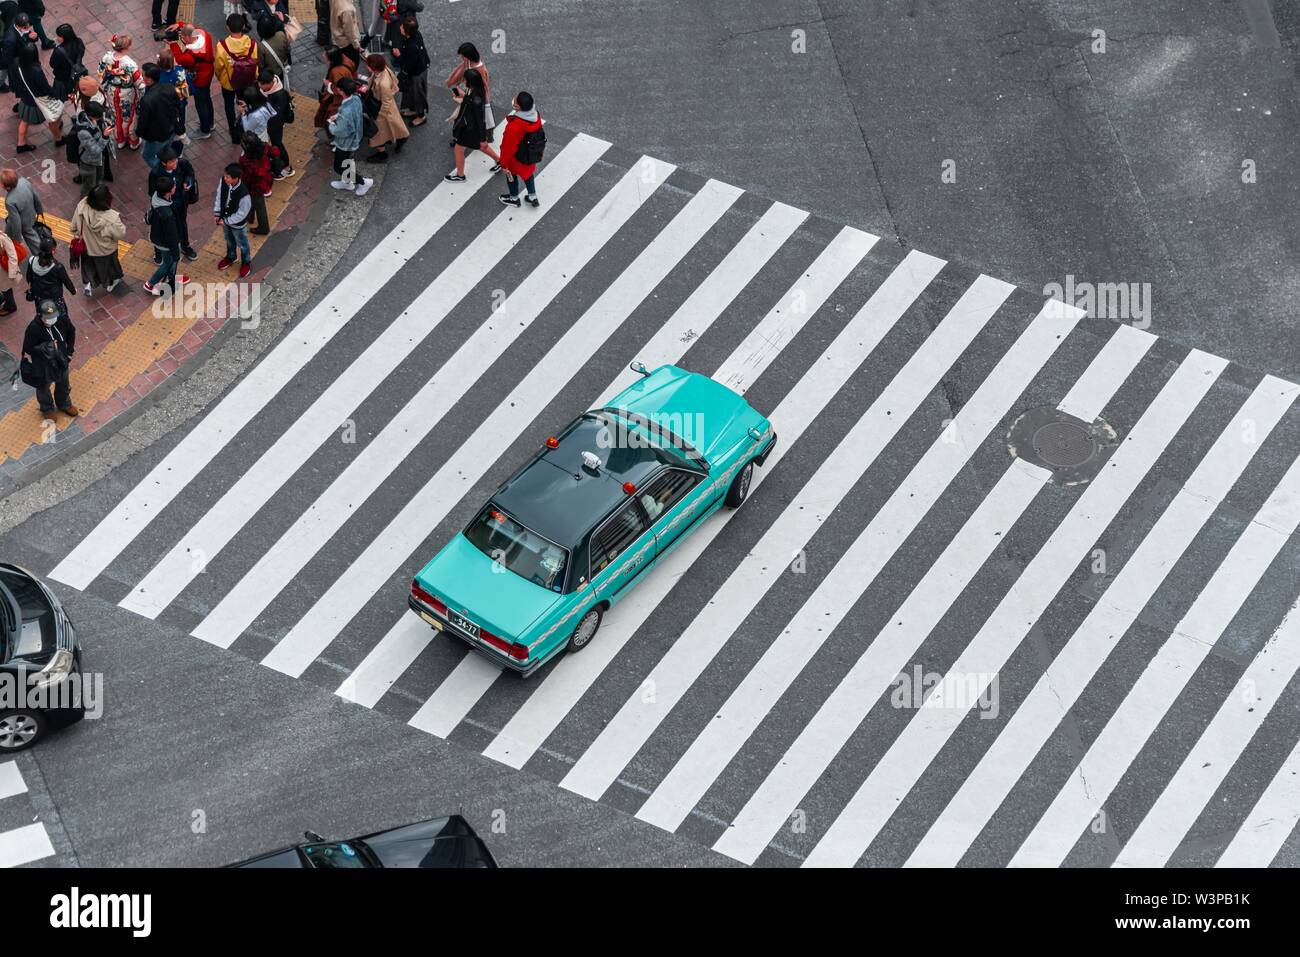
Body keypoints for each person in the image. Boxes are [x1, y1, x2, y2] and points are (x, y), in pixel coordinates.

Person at [21, 299, 76, 418]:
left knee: (64, 384)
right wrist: (48, 347)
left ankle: (64, 404)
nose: (52, 320)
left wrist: (70, 351)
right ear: (40, 316)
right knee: (43, 388)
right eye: (48, 317)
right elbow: (28, 348)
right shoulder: (33, 328)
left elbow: (71, 331)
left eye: (53, 316)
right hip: (43, 365)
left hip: (61, 360)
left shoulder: (62, 319)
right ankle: (47, 409)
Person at [69, 184, 125, 296]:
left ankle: (89, 283)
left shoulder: (82, 206)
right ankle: (112, 282)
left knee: (89, 266)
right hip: (105, 250)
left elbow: (73, 227)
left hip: (87, 248)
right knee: (110, 268)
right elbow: (120, 234)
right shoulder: (112, 217)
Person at [214, 13, 258, 145]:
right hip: (246, 81)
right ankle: (245, 127)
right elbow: (255, 62)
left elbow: (218, 67)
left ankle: (234, 133)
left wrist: (221, 78)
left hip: (229, 83)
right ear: (243, 26)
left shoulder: (222, 46)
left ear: (228, 27)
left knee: (229, 106)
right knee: (244, 104)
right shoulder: (251, 44)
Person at [10, 40, 61, 153]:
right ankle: (59, 139)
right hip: (37, 100)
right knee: (53, 119)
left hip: (25, 97)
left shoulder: (15, 62)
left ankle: (21, 144)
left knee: (25, 120)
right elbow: (45, 88)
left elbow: (14, 79)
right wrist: (54, 95)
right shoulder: (36, 71)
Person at [496, 91, 543, 209]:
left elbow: (508, 147)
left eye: (515, 100)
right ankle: (532, 196)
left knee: (511, 176)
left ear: (518, 107)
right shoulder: (535, 116)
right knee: (528, 175)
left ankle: (514, 198)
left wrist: (504, 163)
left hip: (517, 159)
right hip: (531, 154)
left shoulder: (514, 126)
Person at [327, 76, 372, 196]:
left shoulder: (346, 111)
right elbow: (352, 116)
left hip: (346, 143)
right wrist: (338, 117)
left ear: (341, 91)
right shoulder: (356, 98)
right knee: (348, 161)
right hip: (356, 137)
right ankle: (347, 183)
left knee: (339, 167)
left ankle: (363, 182)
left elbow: (341, 131)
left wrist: (331, 125)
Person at [144, 173, 187, 294]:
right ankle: (151, 283)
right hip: (165, 242)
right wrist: (176, 253)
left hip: (157, 236)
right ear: (168, 192)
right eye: (173, 187)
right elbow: (171, 236)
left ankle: (171, 277)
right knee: (168, 263)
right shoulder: (167, 214)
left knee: (169, 261)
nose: (175, 187)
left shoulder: (156, 198)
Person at [99, 34, 144, 150]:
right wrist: (143, 95)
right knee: (129, 117)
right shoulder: (130, 63)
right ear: (125, 48)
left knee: (115, 115)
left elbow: (101, 74)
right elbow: (139, 82)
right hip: (127, 93)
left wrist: (105, 88)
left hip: (111, 92)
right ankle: (133, 141)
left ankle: (120, 141)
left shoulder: (106, 57)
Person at [444, 66, 487, 182]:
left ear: (470, 82)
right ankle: (499, 161)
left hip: (469, 129)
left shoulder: (476, 99)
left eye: (465, 79)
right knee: (481, 146)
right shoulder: (475, 92)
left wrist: (483, 139)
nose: (463, 81)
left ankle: (460, 175)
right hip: (470, 127)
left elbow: (480, 121)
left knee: (459, 149)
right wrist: (464, 95)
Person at [172, 22, 214, 139]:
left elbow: (180, 58)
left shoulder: (191, 56)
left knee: (201, 104)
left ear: (189, 37)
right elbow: (194, 27)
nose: (182, 39)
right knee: (207, 98)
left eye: (183, 37)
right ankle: (210, 123)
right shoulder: (205, 35)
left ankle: (205, 130)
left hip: (199, 80)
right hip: (209, 73)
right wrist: (180, 25)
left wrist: (172, 43)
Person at [135, 60, 180, 170]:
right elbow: (177, 106)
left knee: (147, 155)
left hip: (156, 136)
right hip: (171, 129)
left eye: (143, 75)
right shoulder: (169, 87)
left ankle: (163, 171)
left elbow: (143, 121)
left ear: (149, 80)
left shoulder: (146, 100)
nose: (141, 76)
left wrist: (138, 133)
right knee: (165, 150)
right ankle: (166, 165)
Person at [362, 52, 405, 163]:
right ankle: (401, 137)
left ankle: (382, 154)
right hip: (385, 107)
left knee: (376, 133)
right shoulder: (383, 69)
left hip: (381, 109)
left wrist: (379, 117)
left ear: (373, 68)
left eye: (368, 65)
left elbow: (386, 101)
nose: (366, 66)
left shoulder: (383, 84)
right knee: (393, 125)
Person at [158, 147, 198, 260]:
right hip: (167, 207)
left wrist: (187, 182)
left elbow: (190, 174)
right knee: (166, 228)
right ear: (163, 163)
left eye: (175, 159)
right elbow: (153, 192)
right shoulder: (157, 173)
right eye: (171, 162)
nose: (175, 162)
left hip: (181, 202)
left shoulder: (182, 163)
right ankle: (161, 250)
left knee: (182, 224)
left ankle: (185, 246)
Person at [214, 163, 253, 278]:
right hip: (224, 220)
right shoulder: (224, 182)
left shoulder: (244, 195)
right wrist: (217, 213)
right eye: (225, 175)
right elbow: (219, 196)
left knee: (243, 244)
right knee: (229, 240)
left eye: (228, 177)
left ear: (236, 178)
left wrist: (226, 221)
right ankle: (231, 256)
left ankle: (246, 262)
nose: (224, 178)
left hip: (237, 225)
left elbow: (242, 214)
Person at [445, 41, 492, 134]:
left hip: (472, 99)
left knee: (464, 117)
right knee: (463, 116)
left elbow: (483, 89)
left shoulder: (480, 70)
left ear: (468, 56)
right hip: (469, 95)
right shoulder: (469, 62)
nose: (461, 58)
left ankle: (461, 136)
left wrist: (465, 94)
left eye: (463, 56)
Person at [23, 238, 74, 318]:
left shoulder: (32, 260)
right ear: (53, 251)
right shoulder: (58, 267)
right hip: (54, 298)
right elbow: (67, 282)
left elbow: (28, 278)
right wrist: (73, 291)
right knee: (60, 318)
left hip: (39, 297)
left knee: (44, 316)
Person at [258, 68, 293, 178]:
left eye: (261, 85)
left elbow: (276, 114)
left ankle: (286, 167)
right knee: (276, 143)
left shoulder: (279, 95)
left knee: (277, 143)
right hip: (273, 123)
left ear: (270, 84)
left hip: (276, 124)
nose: (259, 87)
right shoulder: (274, 86)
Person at [72, 100, 112, 196]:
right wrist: (105, 136)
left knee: (98, 178)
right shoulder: (83, 132)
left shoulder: (93, 119)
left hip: (98, 160)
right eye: (99, 117)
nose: (101, 118)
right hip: (88, 161)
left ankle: (95, 197)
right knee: (88, 186)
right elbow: (95, 151)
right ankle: (85, 205)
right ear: (91, 116)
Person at [392, 14, 427, 126]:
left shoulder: (411, 46)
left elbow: (409, 64)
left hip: (416, 73)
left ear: (407, 32)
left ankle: (421, 116)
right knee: (412, 93)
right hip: (420, 68)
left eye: (402, 27)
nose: (400, 27)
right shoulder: (416, 35)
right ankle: (414, 110)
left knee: (418, 94)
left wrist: (398, 55)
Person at [238, 132, 274, 235]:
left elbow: (244, 176)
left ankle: (263, 227)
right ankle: (250, 216)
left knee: (259, 205)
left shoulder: (245, 161)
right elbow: (275, 152)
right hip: (265, 180)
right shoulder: (265, 147)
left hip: (253, 185)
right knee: (255, 200)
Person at [314, 45, 354, 130]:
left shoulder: (336, 72)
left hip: (337, 101)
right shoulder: (344, 60)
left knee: (329, 117)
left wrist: (328, 84)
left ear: (331, 58)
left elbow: (338, 90)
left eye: (325, 55)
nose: (323, 55)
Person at [1, 167, 43, 250]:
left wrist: (18, 240)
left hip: (24, 224)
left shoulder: (10, 201)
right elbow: (36, 197)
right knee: (8, 232)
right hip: (31, 214)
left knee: (32, 239)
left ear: (6, 186)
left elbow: (16, 222)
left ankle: (43, 253)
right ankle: (4, 244)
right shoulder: (24, 182)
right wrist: (39, 210)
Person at [157, 46, 189, 146]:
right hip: (180, 104)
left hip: (165, 107)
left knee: (168, 126)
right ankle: (179, 149)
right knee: (180, 123)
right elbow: (188, 89)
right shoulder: (180, 71)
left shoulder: (157, 75)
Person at [48, 23, 84, 100]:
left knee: (59, 96)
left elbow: (52, 64)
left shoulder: (59, 51)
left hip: (62, 78)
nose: (57, 38)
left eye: (58, 36)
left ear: (64, 37)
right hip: (76, 73)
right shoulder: (79, 42)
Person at [256, 14, 290, 84]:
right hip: (283, 67)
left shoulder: (261, 46)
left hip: (272, 74)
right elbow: (288, 49)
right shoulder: (281, 34)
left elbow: (261, 65)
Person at [329, 0, 362, 67]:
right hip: (347, 42)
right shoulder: (347, 10)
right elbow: (349, 31)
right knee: (352, 64)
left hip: (337, 36)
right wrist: (356, 45)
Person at [0, 230, 20, 316]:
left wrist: (12, 274)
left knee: (6, 289)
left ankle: (10, 307)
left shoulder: (3, 238)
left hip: (3, 271)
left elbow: (13, 256)